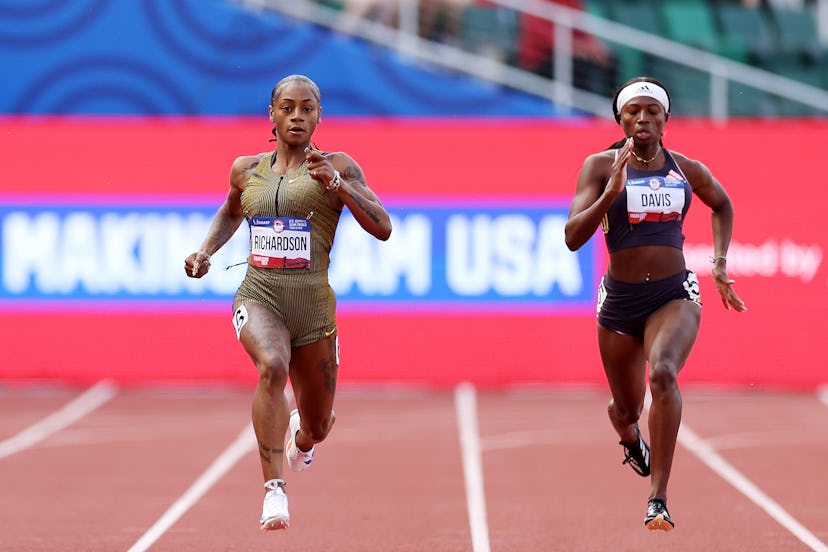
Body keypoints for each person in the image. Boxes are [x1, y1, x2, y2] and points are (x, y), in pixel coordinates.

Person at [184, 74, 392, 531]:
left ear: (319, 116)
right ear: (272, 116)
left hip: (313, 307)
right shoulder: (246, 169)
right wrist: (205, 251)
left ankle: (302, 440)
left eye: (307, 108)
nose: (297, 116)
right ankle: (273, 490)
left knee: (319, 425)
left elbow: (383, 226)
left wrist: (338, 184)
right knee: (272, 367)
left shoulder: (337, 165)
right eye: (288, 108)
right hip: (260, 294)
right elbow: (231, 210)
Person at [564, 77, 746, 532]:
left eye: (652, 112)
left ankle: (658, 498)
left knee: (663, 371)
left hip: (673, 292)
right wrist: (609, 195)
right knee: (627, 409)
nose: (642, 118)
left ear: (666, 120)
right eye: (633, 112)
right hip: (621, 301)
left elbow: (722, 204)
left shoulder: (686, 169)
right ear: (620, 119)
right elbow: (572, 237)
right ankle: (629, 436)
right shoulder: (600, 166)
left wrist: (719, 262)